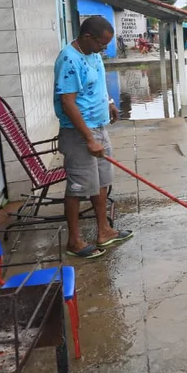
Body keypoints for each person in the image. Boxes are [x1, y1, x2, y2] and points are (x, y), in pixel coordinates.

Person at [53, 16, 133, 258]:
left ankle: (104, 230)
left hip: (99, 127)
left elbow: (97, 81)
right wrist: (88, 138)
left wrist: (108, 101)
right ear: (87, 37)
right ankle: (74, 242)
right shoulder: (69, 58)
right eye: (102, 43)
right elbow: (68, 102)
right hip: (79, 134)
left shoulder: (94, 54)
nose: (104, 48)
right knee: (78, 187)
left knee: (101, 181)